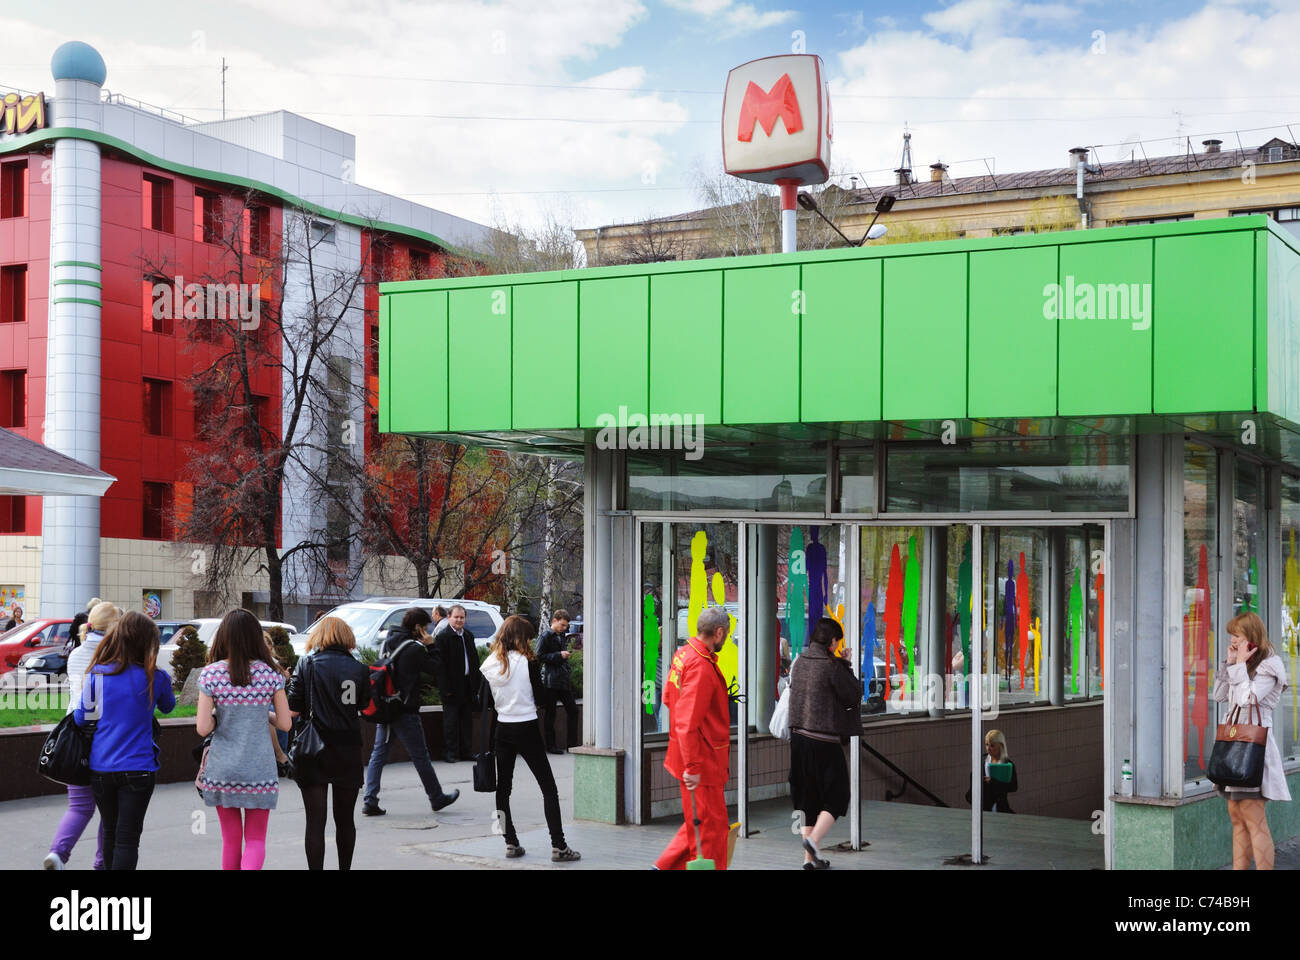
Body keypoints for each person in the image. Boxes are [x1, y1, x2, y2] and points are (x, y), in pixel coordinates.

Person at [73, 610, 175, 870]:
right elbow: (168, 706)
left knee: (109, 833)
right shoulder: (156, 677)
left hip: (101, 767)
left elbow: (81, 718)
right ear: (147, 643)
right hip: (139, 768)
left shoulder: (99, 674)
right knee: (128, 840)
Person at [195, 609, 293, 870]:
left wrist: (218, 715)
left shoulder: (211, 674)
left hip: (222, 769)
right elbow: (285, 723)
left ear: (223, 636)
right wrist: (263, 713)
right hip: (259, 769)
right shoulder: (271, 674)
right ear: (255, 637)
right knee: (256, 840)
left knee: (230, 840)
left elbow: (203, 728)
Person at [480, 614, 580, 862]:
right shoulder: (529, 663)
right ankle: (559, 846)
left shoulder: (490, 663)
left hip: (502, 729)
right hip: (527, 727)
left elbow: (484, 701)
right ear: (521, 638)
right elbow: (542, 697)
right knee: (548, 788)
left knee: (503, 789)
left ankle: (510, 842)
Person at [287, 616, 371, 869]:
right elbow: (365, 706)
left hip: (314, 750)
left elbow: (292, 710)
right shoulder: (359, 669)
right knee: (345, 820)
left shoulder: (307, 664)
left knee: (315, 822)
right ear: (347, 638)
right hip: (347, 749)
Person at [44, 600, 121, 870]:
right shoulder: (114, 655)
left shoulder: (76, 654)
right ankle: (101, 865)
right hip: (106, 737)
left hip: (75, 735)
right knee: (109, 810)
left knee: (78, 806)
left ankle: (57, 853)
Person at [654, 605, 732, 871]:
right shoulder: (701, 665)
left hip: (690, 754)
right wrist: (693, 766)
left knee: (699, 824)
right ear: (719, 632)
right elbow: (688, 723)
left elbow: (668, 699)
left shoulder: (684, 654)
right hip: (702, 759)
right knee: (709, 829)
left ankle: (663, 867)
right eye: (728, 634)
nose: (728, 639)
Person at [362, 607, 460, 816]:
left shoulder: (388, 642)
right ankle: (437, 798)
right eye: (425, 628)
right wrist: (431, 646)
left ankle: (370, 799)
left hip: (386, 706)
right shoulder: (413, 648)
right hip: (405, 710)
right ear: (418, 627)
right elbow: (436, 668)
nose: (426, 632)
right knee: (420, 756)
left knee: (378, 754)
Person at [1213, 611, 1291, 870]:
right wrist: (1230, 662)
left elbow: (1249, 699)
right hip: (1235, 746)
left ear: (1251, 637)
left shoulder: (1269, 666)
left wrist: (1239, 667)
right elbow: (1219, 695)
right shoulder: (1242, 663)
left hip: (1252, 750)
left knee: (1254, 819)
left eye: (1237, 635)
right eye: (1231, 636)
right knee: (1236, 817)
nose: (1233, 640)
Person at [787, 616, 863, 869]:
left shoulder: (799, 661)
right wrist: (847, 664)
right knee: (838, 795)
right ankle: (814, 842)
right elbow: (853, 693)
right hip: (823, 741)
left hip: (798, 739)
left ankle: (809, 861)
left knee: (808, 799)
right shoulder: (832, 666)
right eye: (837, 642)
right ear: (832, 642)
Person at [435, 604, 482, 762]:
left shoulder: (468, 635)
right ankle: (451, 753)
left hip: (467, 685)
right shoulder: (443, 637)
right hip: (451, 687)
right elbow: (440, 666)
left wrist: (476, 685)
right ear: (448, 617)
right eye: (456, 617)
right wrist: (446, 689)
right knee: (451, 723)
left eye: (462, 617)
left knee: (466, 721)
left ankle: (466, 751)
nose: (459, 620)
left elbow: (474, 660)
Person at [536, 609, 579, 755]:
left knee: (573, 710)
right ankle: (551, 745)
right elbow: (539, 656)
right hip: (550, 680)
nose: (564, 628)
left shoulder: (560, 636)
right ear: (554, 621)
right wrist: (559, 655)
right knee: (551, 713)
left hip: (561, 679)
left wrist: (562, 659)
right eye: (562, 625)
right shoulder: (546, 636)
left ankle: (571, 744)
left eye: (566, 626)